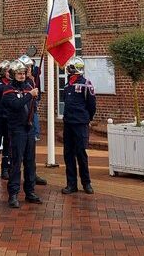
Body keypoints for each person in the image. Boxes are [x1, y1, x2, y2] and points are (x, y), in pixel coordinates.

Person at [2, 60, 42, 207]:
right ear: (13, 74)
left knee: (30, 162)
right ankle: (13, 194)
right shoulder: (8, 89)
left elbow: (35, 101)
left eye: (24, 73)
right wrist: (30, 95)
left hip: (29, 128)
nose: (22, 76)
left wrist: (34, 95)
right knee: (16, 162)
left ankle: (30, 192)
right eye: (19, 73)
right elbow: (16, 105)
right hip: (17, 129)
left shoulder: (29, 85)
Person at [61, 56, 96, 194]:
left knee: (81, 153)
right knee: (68, 154)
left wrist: (87, 118)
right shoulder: (66, 84)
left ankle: (86, 183)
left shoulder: (86, 84)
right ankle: (71, 184)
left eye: (70, 67)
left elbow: (91, 104)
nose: (67, 69)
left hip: (80, 124)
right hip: (68, 123)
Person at [19, 55, 48, 186]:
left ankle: (32, 174)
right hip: (20, 120)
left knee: (31, 148)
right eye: (27, 67)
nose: (30, 69)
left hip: (32, 114)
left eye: (30, 67)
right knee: (19, 150)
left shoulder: (32, 81)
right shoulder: (18, 83)